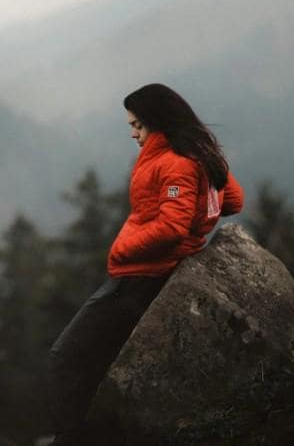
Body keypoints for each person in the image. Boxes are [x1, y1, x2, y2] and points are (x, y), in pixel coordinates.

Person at [47, 83, 244, 445]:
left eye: (138, 125)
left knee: (67, 356)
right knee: (96, 361)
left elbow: (172, 226)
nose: (134, 134)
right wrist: (210, 174)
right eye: (131, 127)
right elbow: (231, 200)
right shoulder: (196, 156)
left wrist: (121, 250)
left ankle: (70, 439)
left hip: (139, 278)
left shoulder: (176, 163)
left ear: (158, 121)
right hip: (148, 274)